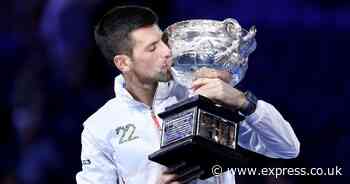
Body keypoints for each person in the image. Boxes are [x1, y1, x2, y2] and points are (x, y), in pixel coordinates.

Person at [76, 5, 300, 184]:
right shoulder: (100, 127)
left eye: (164, 41)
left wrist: (243, 102)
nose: (167, 52)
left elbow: (287, 148)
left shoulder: (202, 91)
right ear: (123, 62)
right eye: (152, 48)